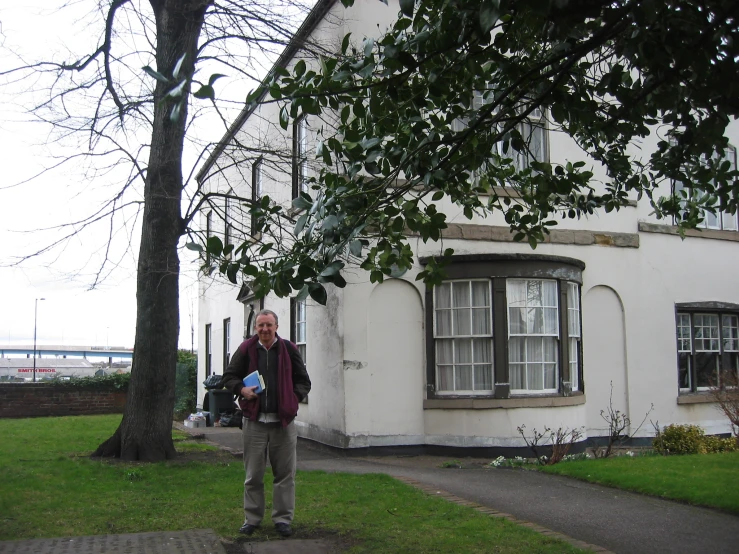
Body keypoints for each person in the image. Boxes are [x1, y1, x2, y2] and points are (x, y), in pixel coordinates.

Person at [222, 309, 311, 538]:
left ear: (276, 327)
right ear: (256, 328)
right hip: (254, 423)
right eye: (260, 325)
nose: (264, 329)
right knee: (253, 475)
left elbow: (303, 381)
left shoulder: (289, 350)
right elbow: (229, 377)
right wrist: (241, 389)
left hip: (283, 423)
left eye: (269, 325)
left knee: (285, 475)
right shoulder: (246, 350)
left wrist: (293, 398)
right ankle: (252, 519)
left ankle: (282, 520)